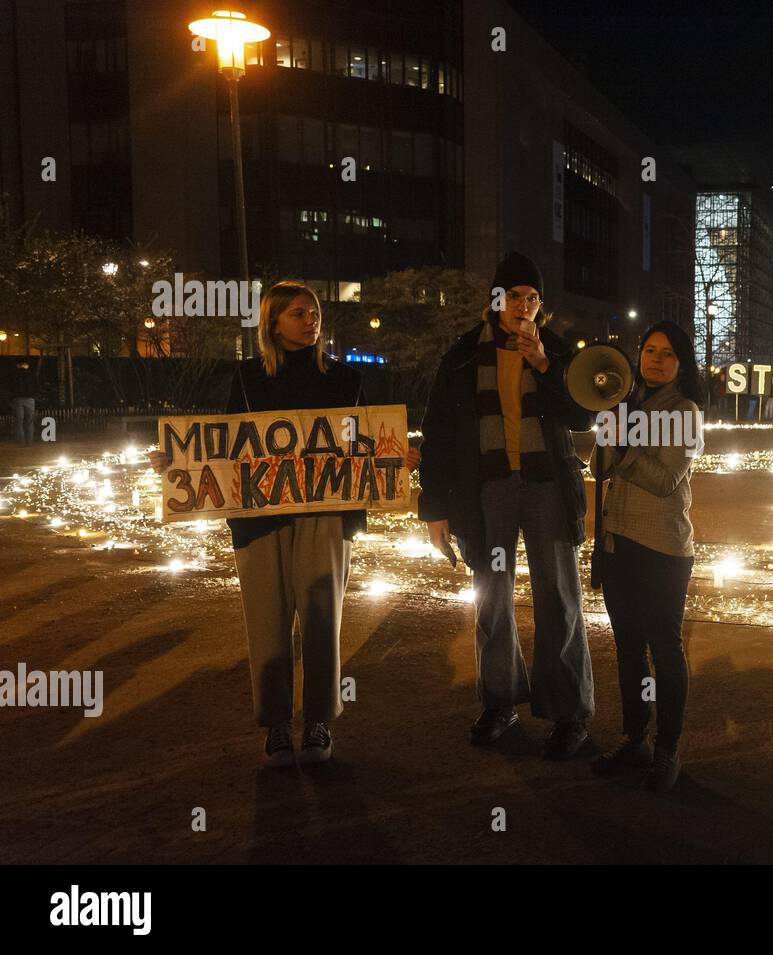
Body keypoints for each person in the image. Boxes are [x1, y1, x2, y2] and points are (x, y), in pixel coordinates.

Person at [150, 281, 414, 767]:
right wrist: (177, 460)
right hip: (259, 520)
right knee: (266, 621)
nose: (310, 320)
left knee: (320, 619)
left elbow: (357, 443)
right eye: (297, 313)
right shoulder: (247, 378)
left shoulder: (343, 378)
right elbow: (226, 443)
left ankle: (317, 721)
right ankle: (275, 725)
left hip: (325, 516)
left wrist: (390, 456)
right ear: (272, 323)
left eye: (313, 312)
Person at [418, 252, 595, 759]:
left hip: (545, 488)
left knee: (558, 598)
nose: (523, 306)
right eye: (513, 296)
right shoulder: (462, 355)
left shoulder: (557, 351)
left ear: (542, 306)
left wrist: (544, 364)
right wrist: (434, 507)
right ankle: (500, 702)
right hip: (486, 490)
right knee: (491, 600)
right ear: (495, 299)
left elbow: (583, 417)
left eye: (532, 298)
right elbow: (439, 435)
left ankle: (568, 713)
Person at [591, 321, 704, 793]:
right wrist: (607, 431)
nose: (655, 360)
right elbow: (600, 470)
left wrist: (624, 443)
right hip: (618, 544)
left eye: (668, 353)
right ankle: (634, 737)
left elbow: (665, 480)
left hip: (661, 550)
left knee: (665, 650)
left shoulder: (686, 412)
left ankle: (667, 749)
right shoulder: (625, 403)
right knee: (628, 649)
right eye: (650, 351)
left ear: (682, 362)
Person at [9, 359, 36, 447]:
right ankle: (29, 442)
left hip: (18, 399)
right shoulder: (31, 374)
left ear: (19, 365)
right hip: (30, 399)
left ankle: (21, 442)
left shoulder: (14, 374)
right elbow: (36, 385)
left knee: (19, 422)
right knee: (29, 422)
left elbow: (11, 386)